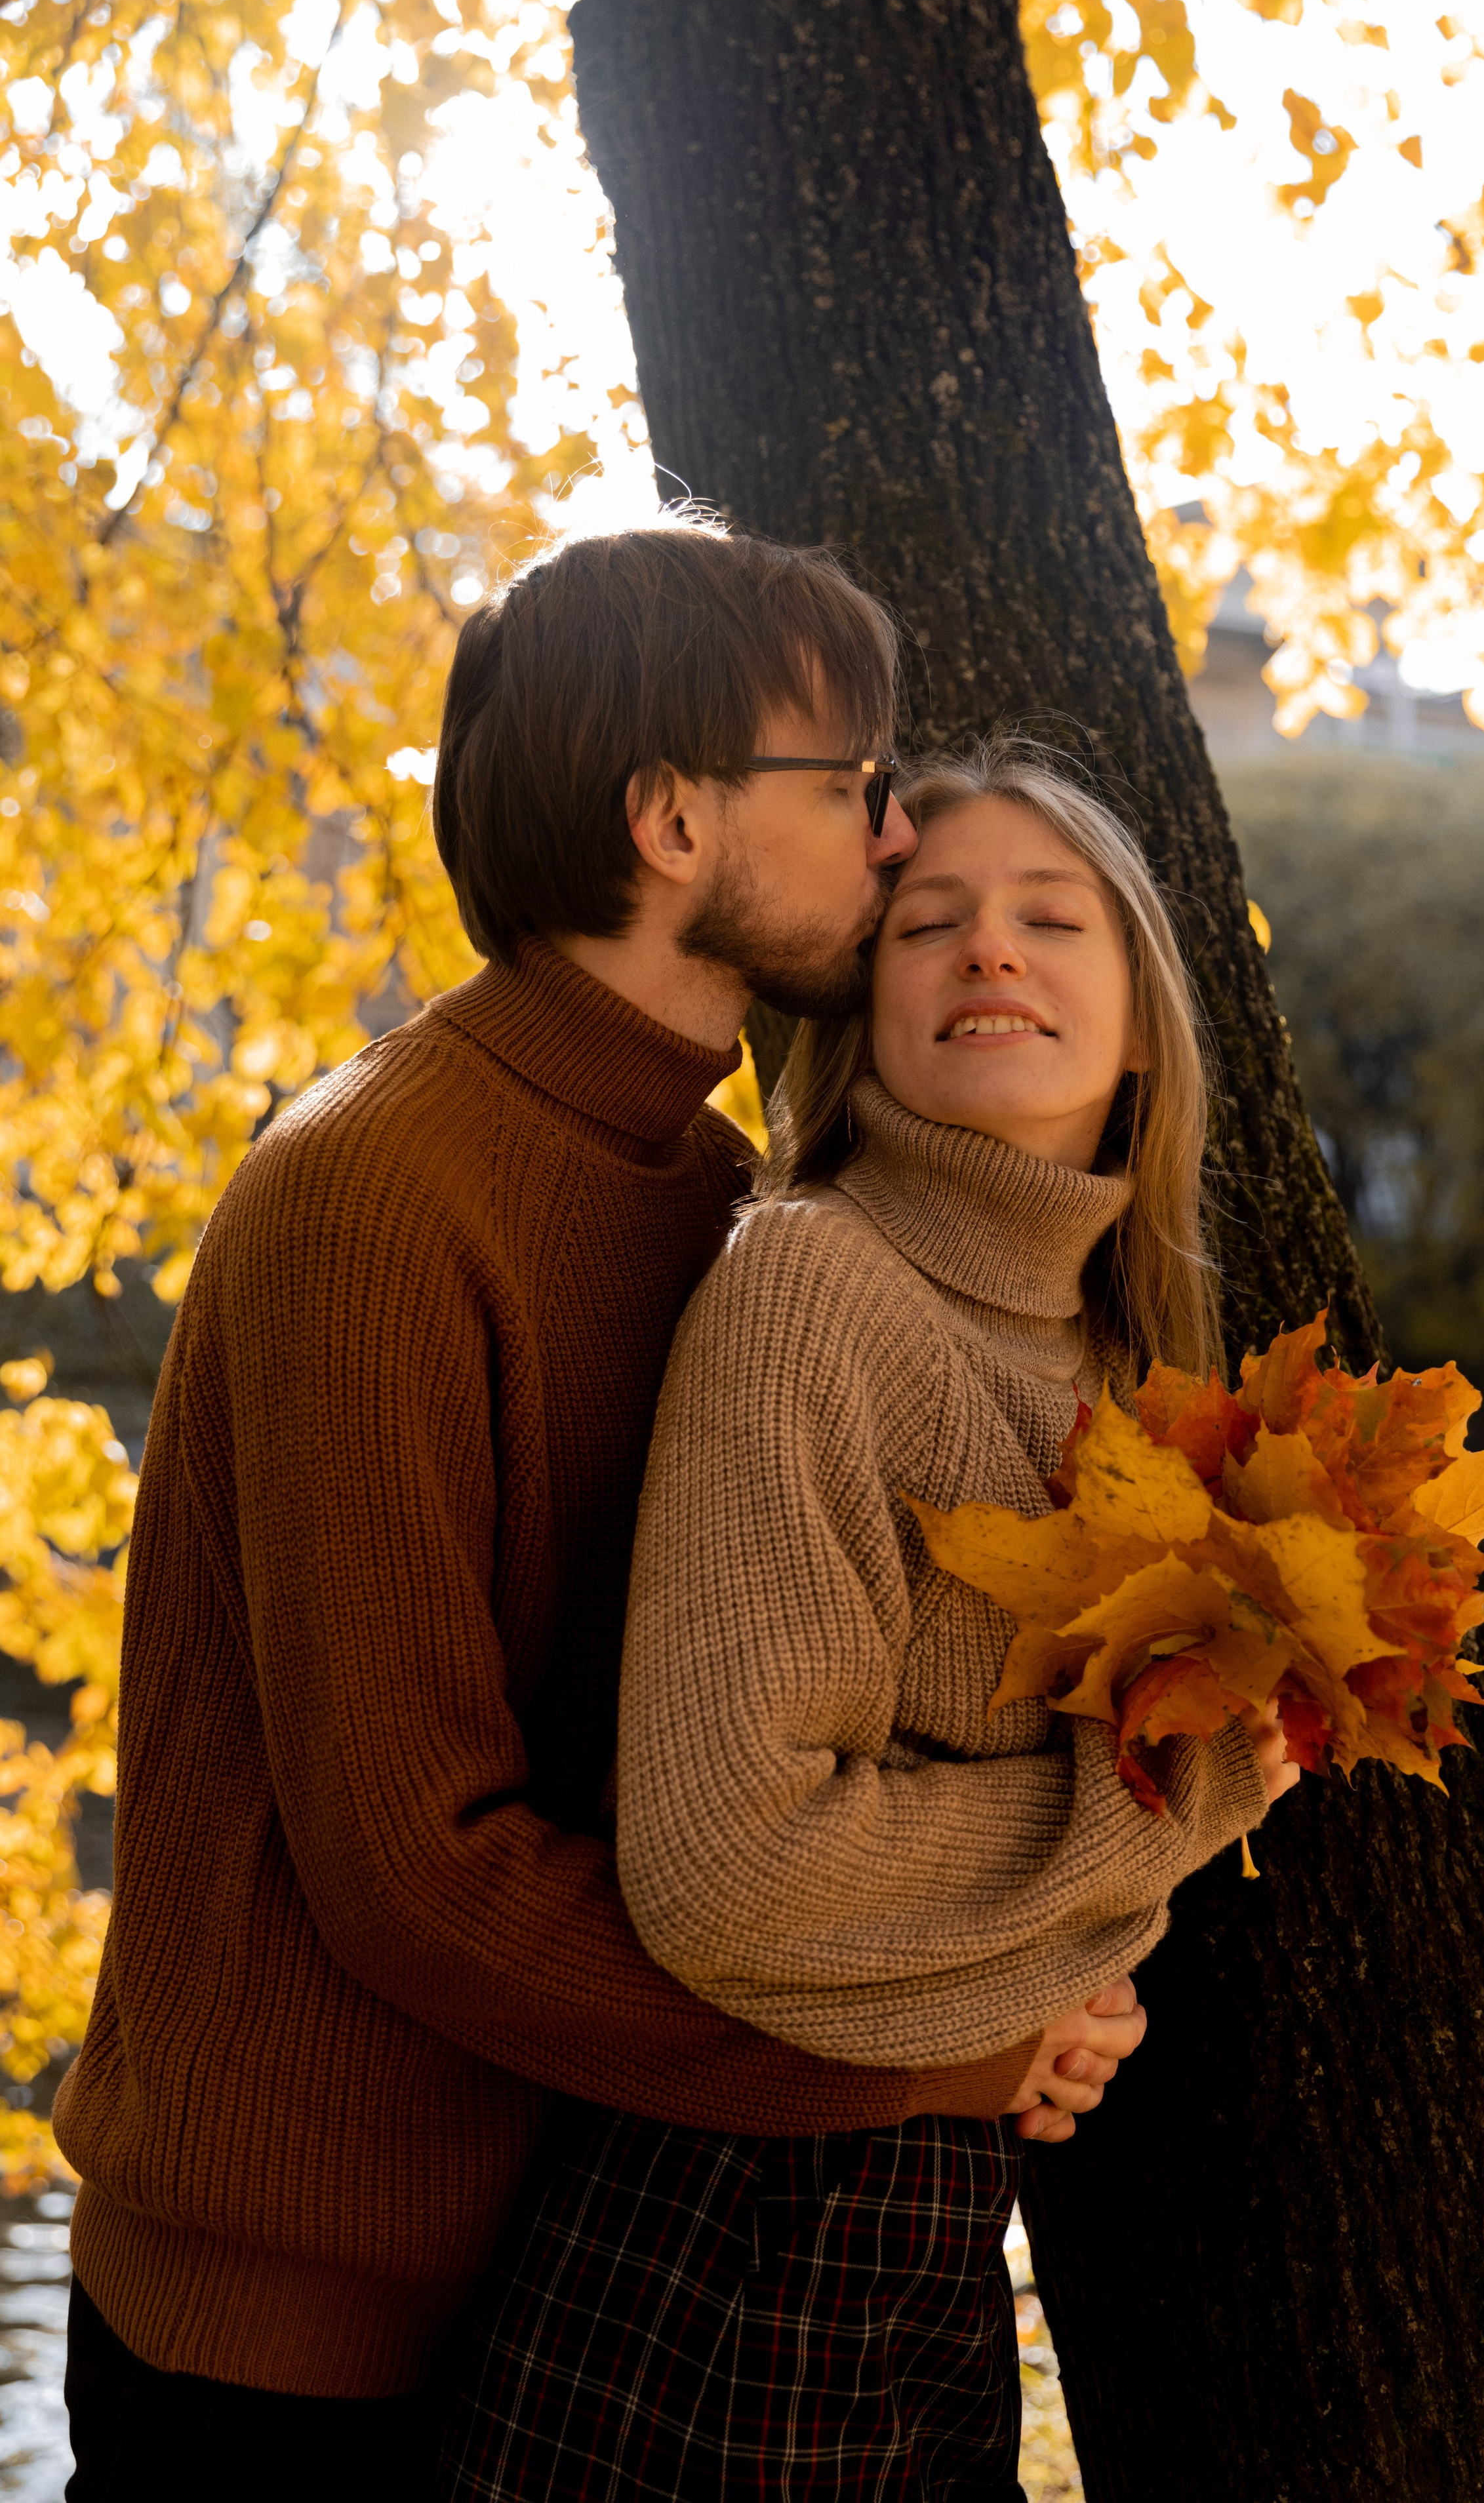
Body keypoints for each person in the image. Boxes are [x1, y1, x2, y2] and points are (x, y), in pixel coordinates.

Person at [54, 531, 1142, 2500]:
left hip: (565, 2283)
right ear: (672, 822)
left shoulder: (720, 1203)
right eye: (853, 782)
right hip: (293, 2334)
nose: (898, 835)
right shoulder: (374, 1196)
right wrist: (936, 2052)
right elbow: (418, 1871)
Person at [437, 738, 1298, 2499]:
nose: (991, 947)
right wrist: (1165, 1814)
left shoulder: (1125, 1368)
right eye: (928, 923)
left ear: (1146, 1022)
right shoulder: (813, 1290)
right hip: (724, 2251)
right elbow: (731, 1863)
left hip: (930, 2247)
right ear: (863, 1008)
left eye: (1052, 916)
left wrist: (1068, 1994)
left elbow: (1042, 1859)